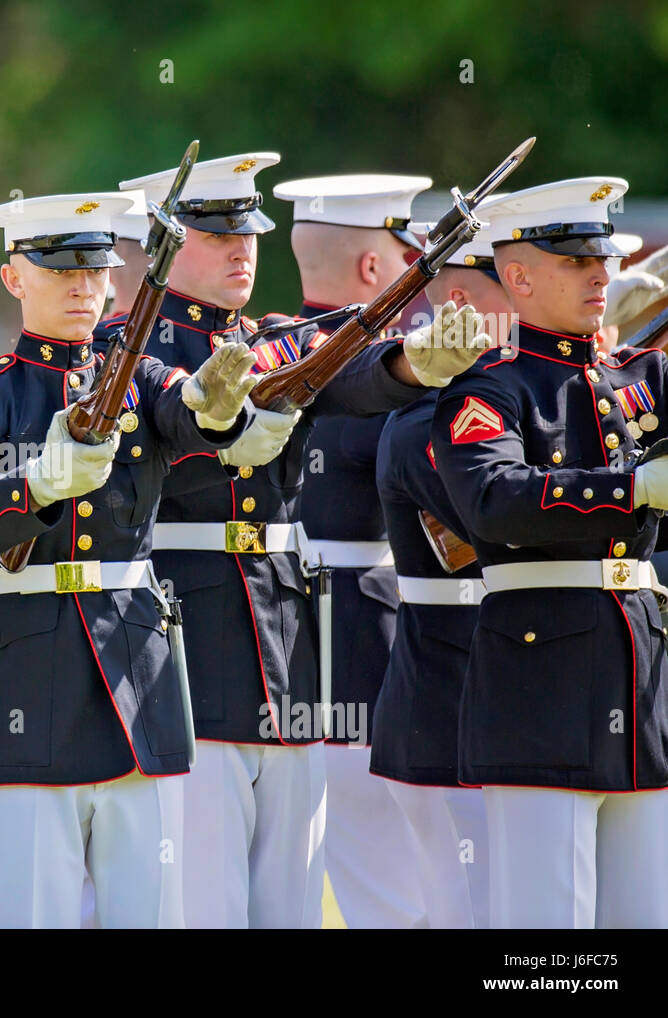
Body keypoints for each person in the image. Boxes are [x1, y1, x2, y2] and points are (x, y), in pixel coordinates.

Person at [99, 156, 482, 928]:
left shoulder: (270, 340)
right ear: (165, 243)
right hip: (184, 640)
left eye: (249, 233)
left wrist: (413, 363)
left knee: (291, 903)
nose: (242, 249)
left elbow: (350, 373)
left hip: (286, 642)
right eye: (217, 234)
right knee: (205, 896)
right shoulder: (120, 355)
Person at [0, 191, 271, 928]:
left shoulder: (141, 377)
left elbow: (194, 415)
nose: (84, 287)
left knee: (147, 910)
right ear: (16, 277)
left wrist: (216, 404)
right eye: (61, 272)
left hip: (137, 669)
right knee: (36, 908)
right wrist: (36, 486)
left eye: (97, 271)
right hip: (31, 678)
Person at [433, 176, 668, 928]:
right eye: (575, 260)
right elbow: (493, 501)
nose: (601, 272)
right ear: (520, 275)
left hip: (645, 680)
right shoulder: (489, 391)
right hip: (542, 689)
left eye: (600, 256)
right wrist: (630, 490)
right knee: (548, 939)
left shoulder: (639, 377)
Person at [272, 171, 436, 928]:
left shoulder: (260, 352)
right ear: (375, 270)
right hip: (368, 644)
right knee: (400, 891)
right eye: (413, 259)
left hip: (272, 642)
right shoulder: (394, 371)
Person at [368, 210, 515, 929]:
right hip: (447, 709)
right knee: (472, 915)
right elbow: (508, 533)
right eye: (511, 278)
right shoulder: (433, 415)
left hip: (490, 705)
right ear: (460, 301)